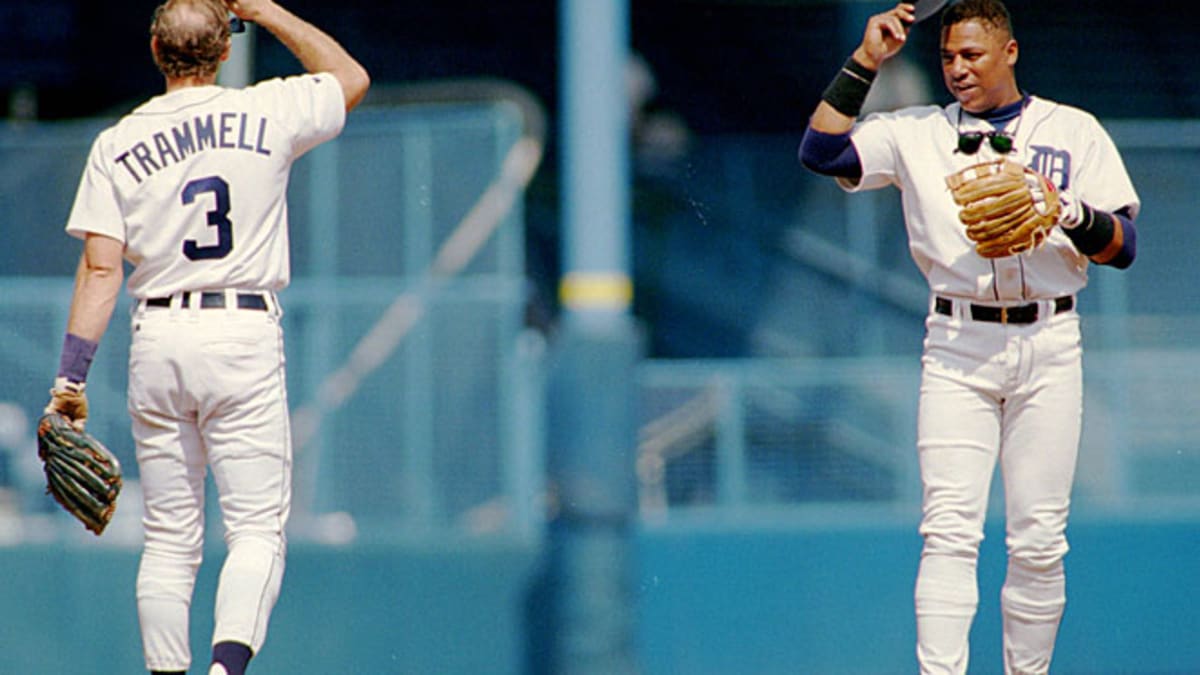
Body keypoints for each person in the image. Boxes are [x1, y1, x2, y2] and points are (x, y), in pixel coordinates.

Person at [798, 1, 1138, 673]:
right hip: (957, 343)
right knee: (949, 531)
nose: (957, 69)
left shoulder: (1073, 130)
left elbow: (1125, 245)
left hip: (1050, 339)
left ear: (1010, 53)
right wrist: (868, 59)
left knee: (1039, 538)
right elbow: (821, 151)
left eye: (973, 55)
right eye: (949, 56)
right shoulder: (916, 132)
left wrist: (1069, 210)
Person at [43, 1, 368, 673]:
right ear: (224, 52)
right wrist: (268, 9)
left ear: (156, 51)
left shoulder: (117, 142)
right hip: (240, 329)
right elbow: (350, 77)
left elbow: (101, 267)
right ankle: (225, 670)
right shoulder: (268, 111)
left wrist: (71, 379)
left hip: (158, 332)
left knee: (167, 540)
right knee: (254, 528)